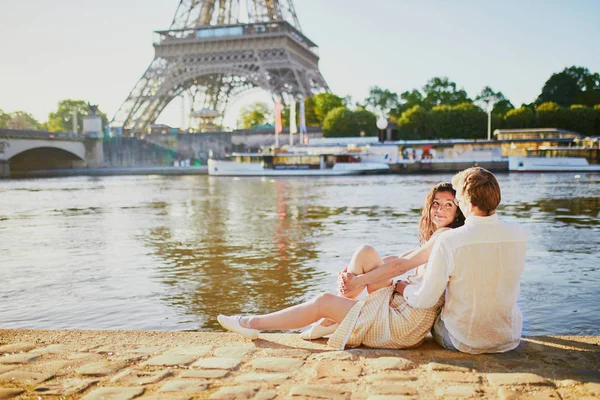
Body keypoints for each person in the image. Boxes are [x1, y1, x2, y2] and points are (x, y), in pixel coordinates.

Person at [217, 182, 465, 350]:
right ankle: (334, 315)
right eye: (436, 203)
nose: (440, 209)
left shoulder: (444, 238)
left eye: (448, 205)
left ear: (458, 212)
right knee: (366, 253)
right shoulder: (439, 236)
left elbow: (399, 266)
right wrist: (351, 276)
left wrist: (357, 281)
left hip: (404, 325)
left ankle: (251, 323)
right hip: (404, 308)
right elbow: (396, 259)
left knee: (323, 300)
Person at [395, 167, 527, 354]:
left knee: (434, 306)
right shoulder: (518, 234)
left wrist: (403, 288)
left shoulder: (449, 240)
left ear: (469, 204)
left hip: (463, 340)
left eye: (458, 200)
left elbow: (425, 299)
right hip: (508, 337)